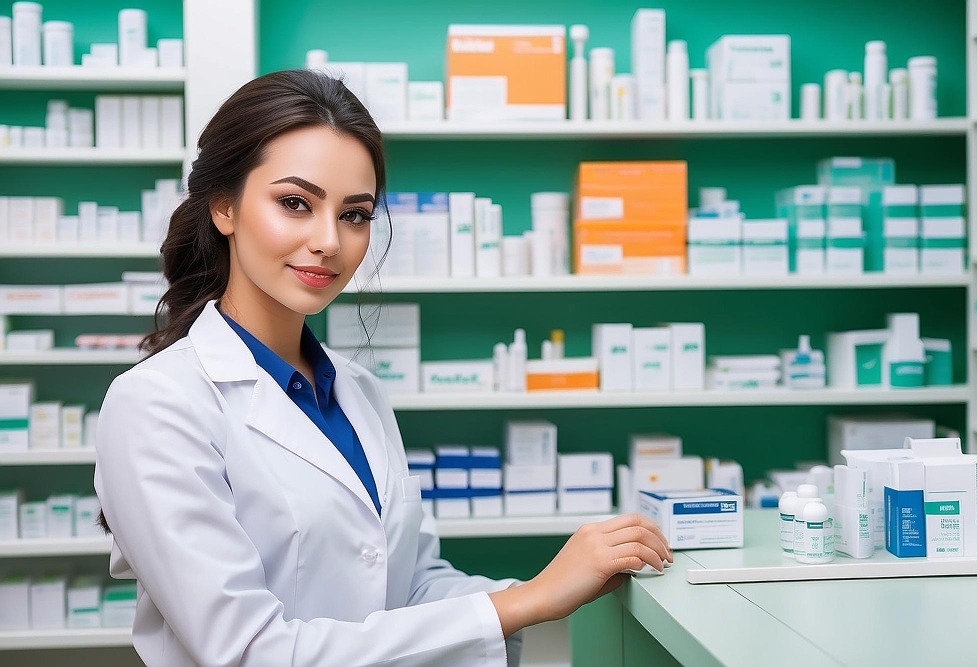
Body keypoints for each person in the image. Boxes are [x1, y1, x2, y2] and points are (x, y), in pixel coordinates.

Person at [94, 69, 672, 667]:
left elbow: (411, 585)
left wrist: (557, 582)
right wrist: (527, 603)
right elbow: (246, 651)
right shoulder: (157, 404)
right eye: (295, 203)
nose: (329, 241)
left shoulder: (357, 391)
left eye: (355, 214)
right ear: (224, 207)